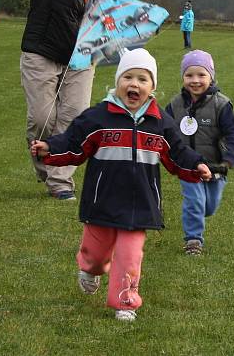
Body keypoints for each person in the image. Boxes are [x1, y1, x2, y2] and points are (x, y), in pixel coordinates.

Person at [30, 48, 212, 322]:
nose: (134, 84)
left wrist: (196, 165)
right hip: (101, 202)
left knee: (130, 256)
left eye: (142, 79)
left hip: (141, 204)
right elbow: (73, 144)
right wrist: (49, 149)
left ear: (152, 87)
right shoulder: (98, 117)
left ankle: (125, 300)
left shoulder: (160, 122)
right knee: (95, 253)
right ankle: (90, 269)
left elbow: (177, 153)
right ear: (118, 81)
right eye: (128, 77)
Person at [20, 0, 109, 200]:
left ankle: (60, 183)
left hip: (82, 58)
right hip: (42, 51)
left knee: (73, 119)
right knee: (42, 119)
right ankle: (44, 162)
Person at [165, 50, 234, 256]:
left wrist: (229, 159)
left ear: (211, 77)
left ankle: (196, 219)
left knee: (209, 207)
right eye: (189, 75)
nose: (195, 80)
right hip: (188, 166)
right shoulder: (174, 105)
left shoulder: (221, 104)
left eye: (201, 75)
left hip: (216, 166)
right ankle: (193, 240)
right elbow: (164, 129)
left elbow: (232, 133)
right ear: (183, 77)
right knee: (194, 201)